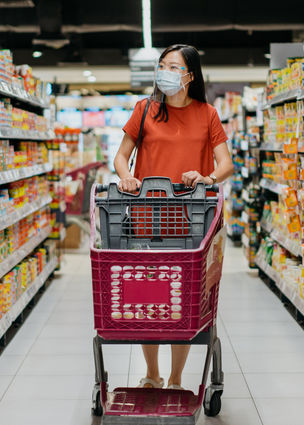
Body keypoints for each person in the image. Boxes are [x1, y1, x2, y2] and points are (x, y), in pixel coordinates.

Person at [113, 44, 233, 390]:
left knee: (183, 303)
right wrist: (126, 177)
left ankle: (178, 379)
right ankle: (152, 373)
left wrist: (207, 177)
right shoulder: (144, 110)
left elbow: (226, 165)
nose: (165, 71)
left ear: (190, 76)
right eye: (162, 65)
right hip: (146, 219)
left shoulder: (207, 113)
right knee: (147, 299)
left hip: (192, 221)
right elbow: (122, 156)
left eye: (174, 66)